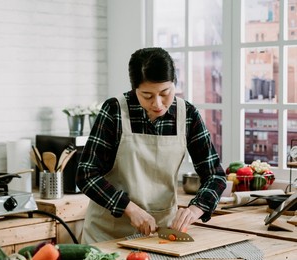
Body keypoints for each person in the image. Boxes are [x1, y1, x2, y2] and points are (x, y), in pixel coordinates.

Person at [76, 47, 226, 244]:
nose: (157, 103)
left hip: (160, 234)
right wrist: (130, 208)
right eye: (147, 95)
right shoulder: (114, 111)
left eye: (165, 93)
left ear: (175, 84)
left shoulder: (187, 115)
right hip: (107, 234)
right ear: (134, 89)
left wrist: (195, 209)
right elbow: (86, 174)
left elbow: (215, 175)